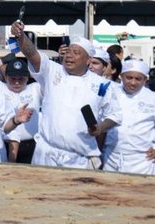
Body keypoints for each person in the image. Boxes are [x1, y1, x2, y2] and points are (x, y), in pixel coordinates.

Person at [11, 23, 118, 169]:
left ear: (88, 60)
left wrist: (101, 127)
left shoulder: (102, 85)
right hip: (46, 155)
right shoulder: (52, 71)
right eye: (68, 51)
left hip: (79, 160)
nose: (69, 56)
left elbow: (115, 116)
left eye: (76, 53)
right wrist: (20, 36)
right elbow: (31, 54)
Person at [102, 59, 155, 176]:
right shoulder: (111, 93)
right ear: (121, 76)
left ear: (145, 80)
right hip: (112, 156)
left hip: (142, 161)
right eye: (129, 78)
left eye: (138, 79)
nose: (133, 83)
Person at [2, 56, 41, 164]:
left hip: (31, 146)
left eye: (21, 79)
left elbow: (49, 79)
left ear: (28, 77)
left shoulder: (35, 88)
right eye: (13, 78)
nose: (17, 83)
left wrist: (35, 73)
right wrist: (1, 60)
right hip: (5, 146)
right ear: (5, 77)